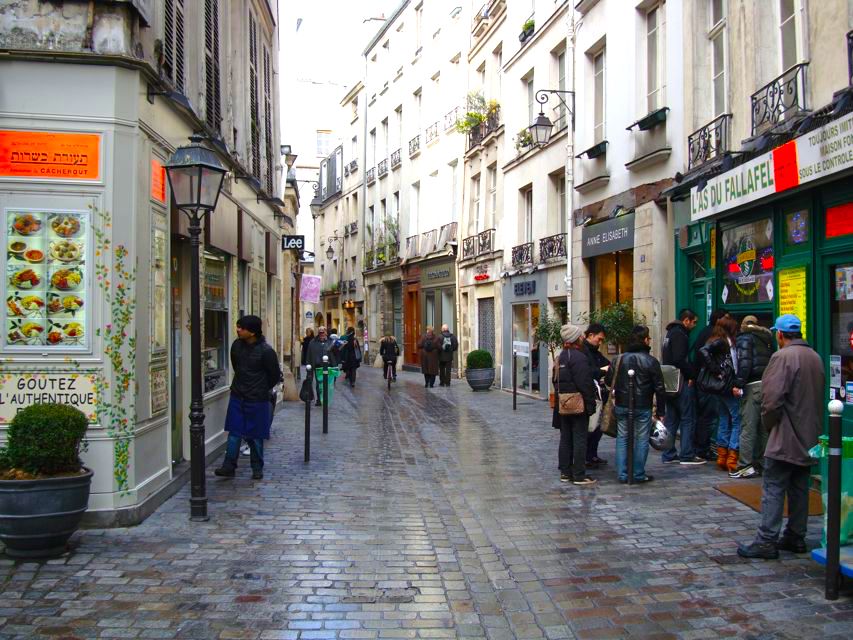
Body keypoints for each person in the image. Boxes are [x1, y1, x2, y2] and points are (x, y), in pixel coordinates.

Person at [737, 314, 824, 559]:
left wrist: (769, 425)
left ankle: (767, 540)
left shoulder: (781, 357)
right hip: (809, 434)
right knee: (799, 488)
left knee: (774, 487)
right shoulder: (815, 357)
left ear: (781, 334)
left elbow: (771, 401)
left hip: (785, 434)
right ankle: (796, 536)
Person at [214, 315, 282, 481]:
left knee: (255, 436)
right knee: (234, 432)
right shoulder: (236, 346)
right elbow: (236, 367)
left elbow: (274, 376)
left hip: (257, 399)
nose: (238, 330)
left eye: (241, 327)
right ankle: (228, 466)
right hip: (238, 395)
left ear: (252, 332)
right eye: (238, 326)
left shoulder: (267, 352)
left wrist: (259, 388)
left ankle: (257, 468)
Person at [605, 325, 666, 484]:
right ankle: (638, 473)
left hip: (622, 404)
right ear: (645, 340)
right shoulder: (651, 361)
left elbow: (608, 381)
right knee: (641, 439)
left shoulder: (618, 359)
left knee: (622, 438)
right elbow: (660, 388)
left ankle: (623, 474)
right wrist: (661, 411)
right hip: (643, 405)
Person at [729, 315, 775, 479]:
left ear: (743, 325)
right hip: (767, 384)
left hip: (752, 385)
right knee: (763, 428)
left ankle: (745, 465)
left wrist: (738, 383)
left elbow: (745, 363)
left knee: (747, 427)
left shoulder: (745, 338)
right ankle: (763, 463)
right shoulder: (767, 338)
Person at [553, 324, 598, 485]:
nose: (582, 338)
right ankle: (579, 474)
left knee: (565, 438)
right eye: (580, 336)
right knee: (579, 438)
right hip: (577, 403)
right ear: (575, 339)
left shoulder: (562, 356)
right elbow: (584, 383)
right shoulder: (579, 358)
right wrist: (590, 403)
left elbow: (555, 380)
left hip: (564, 403)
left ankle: (565, 472)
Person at [661, 309, 706, 465]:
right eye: (694, 322)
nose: (695, 325)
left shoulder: (670, 333)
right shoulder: (680, 334)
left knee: (671, 419)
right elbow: (679, 359)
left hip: (669, 381)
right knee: (688, 418)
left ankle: (668, 453)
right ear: (686, 320)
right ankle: (686, 453)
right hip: (680, 381)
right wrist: (692, 375)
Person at [698, 316, 741, 472]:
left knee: (724, 418)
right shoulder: (722, 341)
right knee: (737, 419)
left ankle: (722, 456)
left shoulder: (716, 339)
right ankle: (732, 457)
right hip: (727, 386)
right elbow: (703, 351)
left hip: (721, 388)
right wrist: (716, 370)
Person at [580, 323, 610, 467]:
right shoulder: (584, 351)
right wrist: (603, 371)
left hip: (599, 394)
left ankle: (592, 454)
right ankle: (586, 456)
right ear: (590, 335)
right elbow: (589, 372)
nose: (600, 342)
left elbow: (605, 363)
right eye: (599, 339)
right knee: (591, 427)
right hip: (590, 395)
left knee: (597, 428)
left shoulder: (595, 351)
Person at [307, 326, 336, 406]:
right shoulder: (313, 342)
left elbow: (335, 354)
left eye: (323, 332)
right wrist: (309, 365)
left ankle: (326, 399)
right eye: (320, 332)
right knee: (319, 384)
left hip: (328, 366)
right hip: (318, 366)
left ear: (326, 332)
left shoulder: (331, 342)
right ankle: (319, 400)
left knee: (328, 384)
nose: (322, 334)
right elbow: (309, 354)